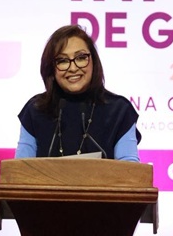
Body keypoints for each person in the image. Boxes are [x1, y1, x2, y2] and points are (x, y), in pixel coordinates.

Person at [14, 24, 141, 161]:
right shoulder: (35, 110)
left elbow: (129, 170)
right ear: (51, 67)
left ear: (93, 61)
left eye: (80, 58)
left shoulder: (119, 111)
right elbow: (20, 169)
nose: (73, 68)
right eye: (62, 61)